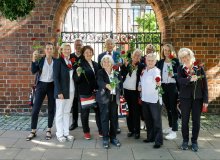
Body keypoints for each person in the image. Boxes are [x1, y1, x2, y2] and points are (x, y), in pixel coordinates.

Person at [177, 48, 208, 152]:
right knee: (184, 121)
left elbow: (205, 85)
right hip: (185, 98)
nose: (185, 59)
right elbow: (180, 81)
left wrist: (206, 100)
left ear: (190, 56)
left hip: (197, 99)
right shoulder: (180, 68)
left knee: (196, 121)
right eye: (182, 58)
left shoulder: (199, 68)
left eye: (186, 56)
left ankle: (194, 141)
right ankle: (185, 141)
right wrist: (189, 79)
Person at [26, 42, 56, 141]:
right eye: (47, 48)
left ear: (53, 50)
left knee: (51, 108)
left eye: (51, 48)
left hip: (52, 85)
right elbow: (33, 71)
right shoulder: (40, 60)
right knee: (35, 109)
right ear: (45, 50)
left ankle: (48, 130)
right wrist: (33, 59)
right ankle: (33, 131)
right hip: (41, 85)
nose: (49, 50)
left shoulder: (56, 61)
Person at [74, 45, 102, 140]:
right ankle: (86, 132)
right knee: (85, 113)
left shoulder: (96, 64)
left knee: (98, 112)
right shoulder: (80, 64)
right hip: (85, 92)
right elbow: (76, 80)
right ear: (83, 54)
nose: (88, 54)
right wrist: (78, 74)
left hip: (96, 92)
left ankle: (101, 130)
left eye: (90, 52)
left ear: (92, 53)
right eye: (86, 52)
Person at [96, 55, 122, 149]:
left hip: (114, 99)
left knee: (114, 119)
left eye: (108, 61)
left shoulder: (116, 73)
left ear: (112, 64)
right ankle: (105, 138)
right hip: (104, 99)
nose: (106, 63)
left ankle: (113, 137)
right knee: (104, 119)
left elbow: (120, 84)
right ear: (102, 64)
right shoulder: (100, 72)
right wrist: (106, 85)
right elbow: (99, 82)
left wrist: (120, 93)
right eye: (104, 62)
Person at [98, 38, 122, 134]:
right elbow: (100, 72)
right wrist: (105, 84)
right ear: (105, 45)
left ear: (114, 45)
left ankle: (115, 130)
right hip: (105, 90)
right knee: (105, 115)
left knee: (114, 115)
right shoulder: (101, 56)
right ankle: (105, 134)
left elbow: (121, 67)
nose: (110, 45)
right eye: (108, 43)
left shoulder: (117, 54)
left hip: (114, 80)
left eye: (111, 44)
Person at [139, 53, 163, 149]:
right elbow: (141, 81)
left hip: (154, 99)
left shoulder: (156, 71)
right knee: (148, 120)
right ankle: (150, 137)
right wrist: (139, 85)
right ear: (145, 61)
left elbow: (158, 79)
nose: (150, 62)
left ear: (155, 61)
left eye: (152, 60)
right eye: (148, 60)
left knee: (156, 121)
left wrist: (158, 82)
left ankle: (158, 141)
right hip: (145, 99)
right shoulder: (144, 70)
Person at [156, 44, 180, 140]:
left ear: (171, 51)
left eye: (168, 50)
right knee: (168, 108)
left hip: (172, 86)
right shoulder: (161, 62)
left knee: (173, 108)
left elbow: (180, 74)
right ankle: (170, 127)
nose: (166, 52)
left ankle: (174, 130)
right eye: (165, 50)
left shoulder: (175, 61)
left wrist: (173, 74)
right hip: (163, 87)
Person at [121, 49, 145, 139]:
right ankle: (131, 130)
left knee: (136, 112)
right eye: (135, 55)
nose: (136, 57)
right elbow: (121, 74)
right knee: (128, 111)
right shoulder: (127, 63)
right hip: (126, 90)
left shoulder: (141, 66)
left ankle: (137, 131)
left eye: (138, 56)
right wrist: (126, 67)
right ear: (132, 56)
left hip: (135, 91)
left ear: (140, 57)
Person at [53, 43, 75, 142]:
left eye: (68, 49)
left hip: (71, 91)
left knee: (67, 112)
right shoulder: (58, 61)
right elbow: (56, 78)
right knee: (60, 113)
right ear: (61, 50)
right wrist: (59, 91)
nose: (67, 51)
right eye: (65, 49)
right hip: (62, 92)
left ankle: (66, 133)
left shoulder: (70, 61)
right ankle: (59, 134)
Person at [69, 39, 83, 131]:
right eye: (76, 45)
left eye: (80, 45)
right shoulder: (70, 56)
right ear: (74, 46)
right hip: (73, 83)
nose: (78, 47)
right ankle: (74, 122)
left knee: (83, 104)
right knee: (74, 104)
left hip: (82, 83)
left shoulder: (85, 56)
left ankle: (84, 122)